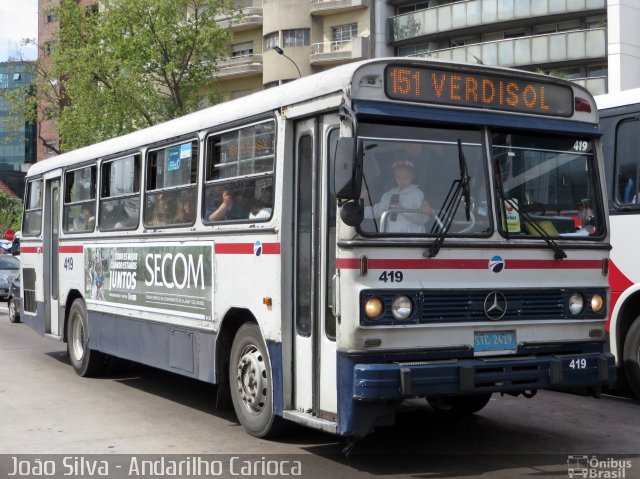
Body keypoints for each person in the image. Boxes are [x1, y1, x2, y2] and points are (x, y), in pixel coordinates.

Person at [363, 159, 431, 233]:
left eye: (406, 177)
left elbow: (422, 219)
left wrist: (404, 210)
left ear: (412, 176)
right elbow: (376, 211)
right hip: (393, 238)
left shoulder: (418, 194)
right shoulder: (389, 194)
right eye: (398, 177)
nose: (402, 181)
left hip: (413, 239)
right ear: (394, 177)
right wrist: (359, 212)